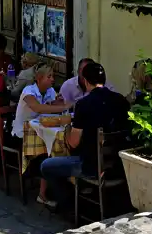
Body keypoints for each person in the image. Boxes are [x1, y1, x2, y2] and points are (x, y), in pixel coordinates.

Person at [39, 62, 130, 207]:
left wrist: (68, 125)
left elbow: (73, 142)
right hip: (118, 164)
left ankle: (67, 201)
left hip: (91, 166)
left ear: (86, 82)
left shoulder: (84, 104)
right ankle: (84, 194)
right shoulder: (121, 100)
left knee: (46, 165)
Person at [12, 64, 66, 139]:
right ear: (39, 79)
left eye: (53, 76)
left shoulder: (50, 90)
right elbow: (38, 108)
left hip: (40, 130)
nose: (52, 79)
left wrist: (59, 102)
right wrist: (62, 107)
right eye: (49, 77)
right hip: (23, 133)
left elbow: (52, 106)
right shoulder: (28, 90)